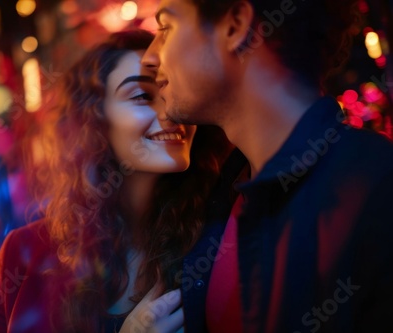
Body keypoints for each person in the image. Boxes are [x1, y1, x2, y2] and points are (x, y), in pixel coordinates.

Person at [142, 0, 393, 332]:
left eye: (166, 27)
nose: (150, 56)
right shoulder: (220, 194)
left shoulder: (376, 190)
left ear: (235, 26)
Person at [0, 29, 234, 333]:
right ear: (95, 121)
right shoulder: (22, 254)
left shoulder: (222, 238)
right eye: (142, 96)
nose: (171, 111)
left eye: (171, 92)